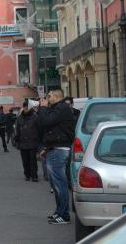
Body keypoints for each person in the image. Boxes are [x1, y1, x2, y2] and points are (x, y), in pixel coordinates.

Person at [38, 89, 75, 225]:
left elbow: (47, 122)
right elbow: (53, 129)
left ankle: (64, 215)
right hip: (55, 148)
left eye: (49, 96)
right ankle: (59, 212)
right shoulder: (58, 108)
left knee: (60, 184)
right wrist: (47, 148)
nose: (47, 98)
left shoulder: (61, 108)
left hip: (59, 150)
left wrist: (42, 108)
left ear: (57, 96)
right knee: (56, 183)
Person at [15, 101, 40, 182]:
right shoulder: (19, 118)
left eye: (27, 107)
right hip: (23, 143)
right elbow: (17, 130)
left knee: (33, 160)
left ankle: (34, 176)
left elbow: (39, 129)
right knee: (25, 160)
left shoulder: (35, 117)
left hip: (33, 142)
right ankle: (27, 175)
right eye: (25, 107)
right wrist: (17, 140)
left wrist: (38, 140)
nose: (26, 108)